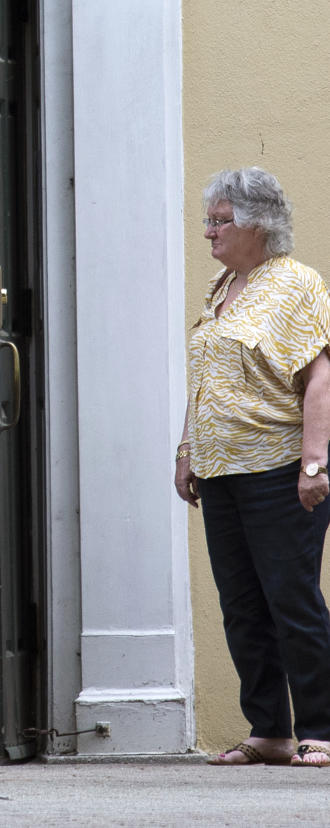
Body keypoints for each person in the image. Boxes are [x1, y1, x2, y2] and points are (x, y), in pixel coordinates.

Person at [176, 167, 330, 767]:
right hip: (220, 474)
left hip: (276, 469)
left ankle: (320, 726)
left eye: (220, 221)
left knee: (291, 598)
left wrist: (315, 464)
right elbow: (206, 381)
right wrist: (187, 450)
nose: (208, 232)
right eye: (208, 221)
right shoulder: (222, 286)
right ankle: (269, 729)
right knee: (241, 604)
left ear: (258, 224)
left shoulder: (296, 284)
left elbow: (320, 376)